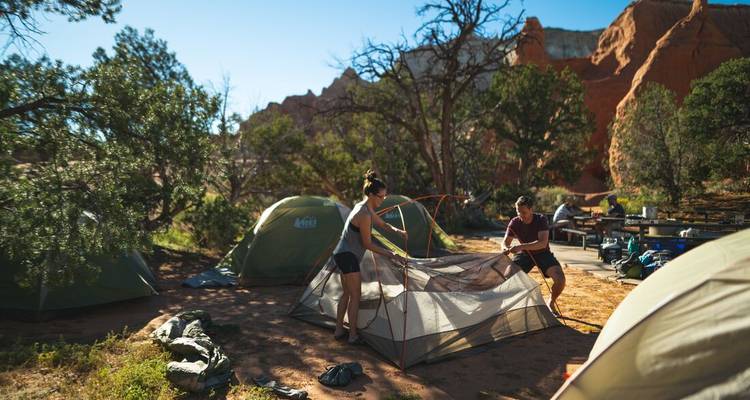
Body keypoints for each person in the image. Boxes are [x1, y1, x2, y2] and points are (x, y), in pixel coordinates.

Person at [332, 170, 408, 345]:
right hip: (348, 256)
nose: (383, 200)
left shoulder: (364, 206)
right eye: (382, 197)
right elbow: (367, 244)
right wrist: (391, 254)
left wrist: (398, 231)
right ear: (373, 195)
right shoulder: (364, 215)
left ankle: (338, 330)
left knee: (346, 294)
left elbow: (381, 223)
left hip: (341, 253)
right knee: (355, 295)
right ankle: (352, 336)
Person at [501, 195, 566, 316]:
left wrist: (520, 247)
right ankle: (509, 306)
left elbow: (542, 243)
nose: (520, 215)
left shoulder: (541, 219)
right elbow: (505, 241)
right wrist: (505, 248)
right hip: (525, 254)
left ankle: (551, 303)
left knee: (560, 279)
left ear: (531, 210)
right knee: (507, 277)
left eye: (524, 212)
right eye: (518, 212)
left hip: (543, 253)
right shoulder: (515, 222)